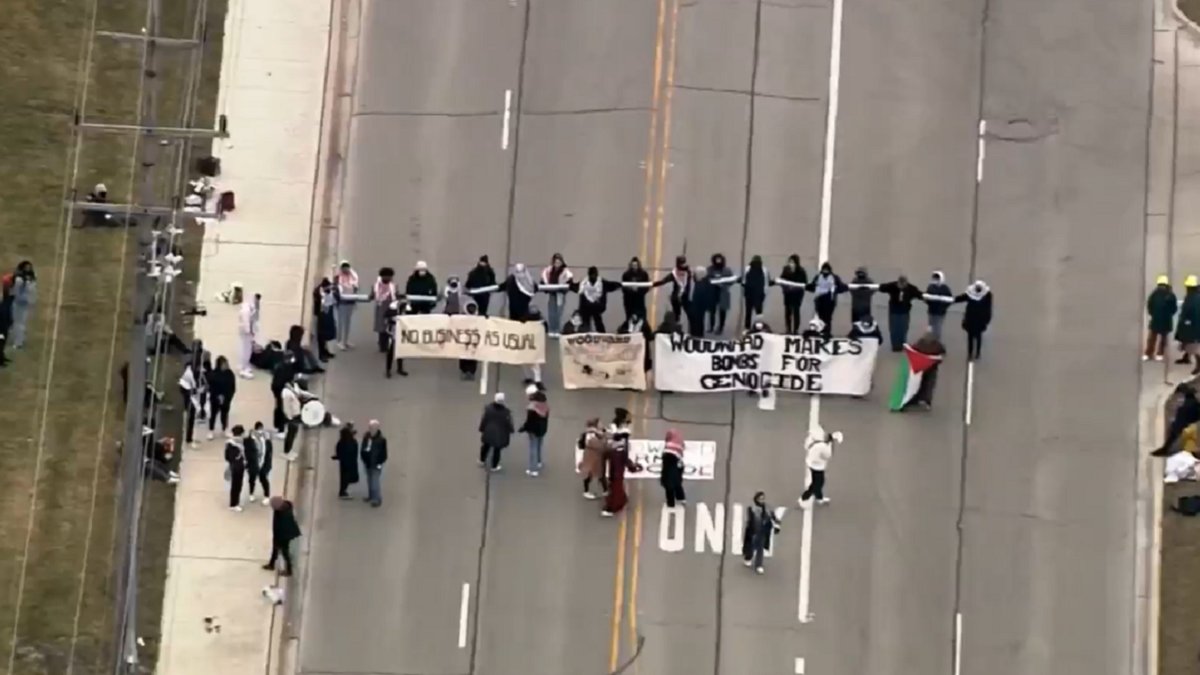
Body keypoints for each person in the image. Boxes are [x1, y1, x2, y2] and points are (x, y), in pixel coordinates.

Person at [602, 408, 642, 517]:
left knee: (615, 479)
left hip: (616, 454)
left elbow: (614, 438)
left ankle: (615, 503)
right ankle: (619, 500)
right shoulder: (621, 429)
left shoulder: (616, 428)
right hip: (618, 455)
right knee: (616, 479)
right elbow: (619, 438)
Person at [877, 276, 923, 352]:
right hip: (894, 312)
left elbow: (919, 295)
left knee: (903, 329)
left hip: (904, 312)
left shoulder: (911, 288)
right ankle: (895, 346)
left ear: (906, 283)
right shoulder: (892, 286)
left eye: (903, 285)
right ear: (898, 283)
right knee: (894, 330)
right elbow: (882, 288)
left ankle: (902, 344)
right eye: (900, 285)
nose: (901, 287)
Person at [1154, 384, 1200, 456]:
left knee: (1176, 434)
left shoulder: (1191, 402)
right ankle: (1166, 449)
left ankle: (1166, 449)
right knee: (1176, 434)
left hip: (1186, 419)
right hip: (1187, 419)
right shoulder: (1191, 402)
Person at [742, 491, 782, 574]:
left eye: (763, 499)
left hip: (763, 531)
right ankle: (748, 557)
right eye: (760, 499)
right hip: (753, 531)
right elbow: (751, 521)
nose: (762, 500)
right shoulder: (752, 509)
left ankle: (758, 565)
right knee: (751, 546)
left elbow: (774, 517)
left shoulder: (767, 508)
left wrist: (777, 525)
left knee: (760, 548)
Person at [572, 266, 622, 333]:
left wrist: (621, 285)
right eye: (592, 275)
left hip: (596, 306)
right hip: (587, 307)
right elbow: (574, 287)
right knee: (588, 321)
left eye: (594, 274)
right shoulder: (583, 283)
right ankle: (587, 334)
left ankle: (600, 334)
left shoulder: (602, 282)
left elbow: (612, 285)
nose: (593, 276)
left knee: (597, 321)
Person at [799, 426, 840, 506]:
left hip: (812, 463)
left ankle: (819, 497)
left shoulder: (813, 441)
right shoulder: (823, 447)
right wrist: (831, 444)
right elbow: (828, 455)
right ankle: (803, 498)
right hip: (817, 466)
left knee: (818, 482)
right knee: (817, 483)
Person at [955, 280, 993, 361]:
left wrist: (952, 299)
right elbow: (988, 308)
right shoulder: (986, 295)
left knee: (973, 337)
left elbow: (961, 298)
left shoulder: (984, 295)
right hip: (975, 319)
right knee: (975, 337)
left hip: (974, 318)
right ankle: (974, 353)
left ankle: (974, 353)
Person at [264, 496, 301, 576]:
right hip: (281, 534)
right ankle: (271, 564)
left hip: (283, 536)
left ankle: (289, 570)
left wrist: (278, 539)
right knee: (275, 549)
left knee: (284, 552)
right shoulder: (285, 508)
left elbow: (280, 529)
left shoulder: (283, 516)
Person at [518, 385, 549, 476]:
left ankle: (533, 469)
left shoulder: (532, 408)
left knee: (533, 448)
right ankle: (539, 462)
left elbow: (529, 422)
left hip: (534, 430)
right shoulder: (544, 403)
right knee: (539, 445)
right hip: (543, 428)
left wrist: (523, 428)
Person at [1145, 275, 1178, 362]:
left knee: (1153, 338)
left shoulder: (1155, 294)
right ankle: (1158, 353)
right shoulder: (1170, 295)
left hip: (1156, 319)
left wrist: (1153, 313)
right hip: (1165, 320)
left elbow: (1149, 305)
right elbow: (1174, 308)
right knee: (1161, 338)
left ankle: (1150, 353)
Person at [478, 393, 514, 471]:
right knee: (497, 450)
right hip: (500, 433)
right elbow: (508, 423)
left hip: (488, 431)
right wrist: (511, 430)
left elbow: (484, 420)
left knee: (485, 446)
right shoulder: (506, 412)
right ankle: (494, 465)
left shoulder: (488, 409)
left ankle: (482, 460)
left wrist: (481, 428)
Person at [540, 253, 573, 336]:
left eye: (559, 262)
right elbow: (543, 277)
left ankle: (557, 330)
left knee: (558, 313)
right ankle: (551, 330)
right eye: (556, 262)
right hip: (552, 294)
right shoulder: (549, 270)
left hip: (560, 294)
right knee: (551, 313)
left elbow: (569, 279)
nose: (557, 264)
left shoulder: (565, 271)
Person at [178, 347, 206, 447]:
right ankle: (189, 439)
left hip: (193, 395)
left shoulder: (196, 367)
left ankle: (190, 437)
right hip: (190, 397)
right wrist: (197, 390)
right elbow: (185, 388)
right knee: (190, 418)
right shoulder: (189, 374)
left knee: (192, 418)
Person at [654, 256, 694, 323]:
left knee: (691, 315)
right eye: (681, 263)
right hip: (676, 298)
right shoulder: (674, 274)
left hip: (685, 297)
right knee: (676, 316)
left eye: (684, 262)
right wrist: (652, 284)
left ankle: (693, 330)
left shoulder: (688, 272)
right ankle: (676, 329)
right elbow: (664, 281)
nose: (683, 264)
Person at [807, 262, 847, 326]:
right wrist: (805, 287)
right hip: (819, 300)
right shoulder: (818, 277)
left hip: (830, 301)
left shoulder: (834, 277)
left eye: (826, 269)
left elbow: (840, 286)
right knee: (821, 317)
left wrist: (846, 287)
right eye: (824, 269)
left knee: (828, 318)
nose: (825, 271)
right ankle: (822, 331)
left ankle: (827, 332)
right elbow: (812, 286)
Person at [206, 355, 236, 440]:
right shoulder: (213, 374)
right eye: (224, 364)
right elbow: (212, 388)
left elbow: (232, 387)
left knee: (225, 414)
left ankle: (225, 429)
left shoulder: (230, 374)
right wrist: (218, 396)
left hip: (226, 398)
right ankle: (211, 430)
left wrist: (228, 397)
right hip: (215, 399)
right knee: (213, 414)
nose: (226, 365)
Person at [577, 418, 608, 499]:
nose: (602, 424)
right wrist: (604, 440)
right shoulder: (591, 434)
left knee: (599, 473)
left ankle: (605, 489)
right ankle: (587, 491)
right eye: (600, 423)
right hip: (591, 456)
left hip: (594, 456)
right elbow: (599, 445)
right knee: (591, 473)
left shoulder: (597, 432)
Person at [360, 420, 389, 506]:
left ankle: (377, 499)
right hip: (368, 463)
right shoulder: (366, 436)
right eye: (370, 428)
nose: (371, 430)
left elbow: (384, 453)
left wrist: (380, 462)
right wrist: (364, 457)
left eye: (372, 428)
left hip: (376, 464)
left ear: (377, 428)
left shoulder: (381, 440)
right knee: (369, 481)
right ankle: (371, 496)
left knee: (375, 482)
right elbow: (363, 448)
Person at [739, 255, 772, 331]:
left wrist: (744, 292)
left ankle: (747, 328)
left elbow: (743, 281)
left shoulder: (747, 268)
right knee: (759, 312)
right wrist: (765, 293)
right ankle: (759, 327)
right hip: (759, 294)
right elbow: (767, 282)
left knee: (748, 312)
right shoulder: (764, 269)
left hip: (749, 293)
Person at [8, 261, 36, 349]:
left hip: (19, 303)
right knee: (20, 323)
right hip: (26, 303)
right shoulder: (32, 279)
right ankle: (20, 339)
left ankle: (18, 342)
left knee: (17, 323)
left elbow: (15, 292)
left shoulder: (19, 280)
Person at [334, 260, 360, 349]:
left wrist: (355, 299)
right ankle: (339, 341)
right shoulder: (338, 277)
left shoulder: (353, 275)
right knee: (341, 322)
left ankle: (346, 340)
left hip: (350, 301)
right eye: (344, 267)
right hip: (342, 302)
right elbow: (337, 288)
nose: (346, 269)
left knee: (348, 322)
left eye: (347, 267)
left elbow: (355, 287)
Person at [371, 267, 398, 352]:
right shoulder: (376, 286)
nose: (388, 278)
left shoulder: (394, 286)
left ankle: (390, 344)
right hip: (381, 307)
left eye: (390, 276)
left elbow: (396, 296)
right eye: (386, 276)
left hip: (391, 307)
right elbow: (372, 295)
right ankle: (382, 345)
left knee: (390, 326)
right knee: (382, 328)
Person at [778, 255, 808, 335]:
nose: (790, 264)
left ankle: (796, 329)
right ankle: (788, 329)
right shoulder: (786, 270)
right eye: (789, 262)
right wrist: (785, 287)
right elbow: (782, 280)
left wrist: (795, 287)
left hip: (797, 294)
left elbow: (804, 283)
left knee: (796, 311)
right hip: (788, 294)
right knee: (788, 311)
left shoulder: (801, 271)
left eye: (792, 262)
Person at [246, 421, 273, 504]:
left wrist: (267, 463)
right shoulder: (250, 440)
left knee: (263, 479)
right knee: (252, 479)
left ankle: (267, 496)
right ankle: (251, 494)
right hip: (254, 464)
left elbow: (269, 453)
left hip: (264, 463)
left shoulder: (267, 440)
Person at [312, 279, 338, 361]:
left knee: (326, 334)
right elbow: (320, 302)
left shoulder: (329, 292)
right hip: (322, 315)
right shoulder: (320, 293)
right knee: (321, 335)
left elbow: (335, 300)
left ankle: (325, 351)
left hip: (328, 314)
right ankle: (321, 354)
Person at [660, 429, 687, 508]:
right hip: (676, 461)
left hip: (667, 459)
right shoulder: (680, 444)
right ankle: (681, 498)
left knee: (668, 482)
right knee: (676, 481)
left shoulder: (667, 445)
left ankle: (670, 502)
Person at [237, 292, 261, 378]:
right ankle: (242, 368)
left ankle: (246, 365)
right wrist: (249, 331)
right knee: (245, 350)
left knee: (248, 349)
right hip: (245, 332)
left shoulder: (253, 307)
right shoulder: (245, 310)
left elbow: (256, 317)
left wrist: (258, 308)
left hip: (249, 332)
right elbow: (246, 322)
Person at [924, 271, 954, 339]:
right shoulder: (931, 287)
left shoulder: (945, 288)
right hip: (931, 311)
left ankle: (936, 343)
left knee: (938, 328)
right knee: (930, 328)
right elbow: (926, 297)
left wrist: (943, 307)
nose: (936, 280)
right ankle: (930, 343)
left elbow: (949, 299)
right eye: (935, 278)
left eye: (937, 278)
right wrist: (930, 303)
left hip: (940, 312)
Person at [708, 253, 734, 334]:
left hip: (723, 292)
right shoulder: (710, 269)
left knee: (722, 311)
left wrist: (724, 284)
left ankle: (721, 327)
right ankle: (711, 327)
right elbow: (706, 279)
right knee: (712, 311)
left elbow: (731, 280)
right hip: (712, 292)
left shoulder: (727, 270)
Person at [333, 423, 360, 499]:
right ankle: (343, 492)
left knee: (344, 477)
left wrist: (338, 456)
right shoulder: (349, 441)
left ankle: (343, 491)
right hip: (349, 462)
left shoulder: (342, 440)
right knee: (346, 477)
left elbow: (338, 449)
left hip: (345, 462)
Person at [620, 257, 651, 322]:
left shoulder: (643, 274)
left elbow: (646, 286)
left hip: (639, 298)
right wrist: (630, 290)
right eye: (633, 265)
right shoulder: (626, 275)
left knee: (641, 316)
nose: (634, 267)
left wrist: (639, 290)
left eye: (636, 265)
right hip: (629, 299)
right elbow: (623, 287)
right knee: (630, 316)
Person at [225, 425, 248, 511]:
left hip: (239, 466)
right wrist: (238, 458)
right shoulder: (233, 444)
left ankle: (235, 502)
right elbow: (230, 456)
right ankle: (233, 504)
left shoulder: (239, 442)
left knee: (238, 485)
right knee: (236, 485)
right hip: (236, 467)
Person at [281, 379, 303, 460]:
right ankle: (286, 452)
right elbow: (286, 407)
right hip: (292, 416)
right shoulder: (286, 393)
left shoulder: (294, 387)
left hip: (296, 414)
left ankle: (290, 450)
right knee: (290, 435)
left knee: (294, 434)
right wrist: (289, 417)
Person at [458, 300, 481, 380]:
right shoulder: (461, 318)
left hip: (474, 341)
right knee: (465, 356)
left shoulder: (480, 318)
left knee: (472, 357)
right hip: (465, 341)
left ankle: (470, 372)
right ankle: (465, 371)